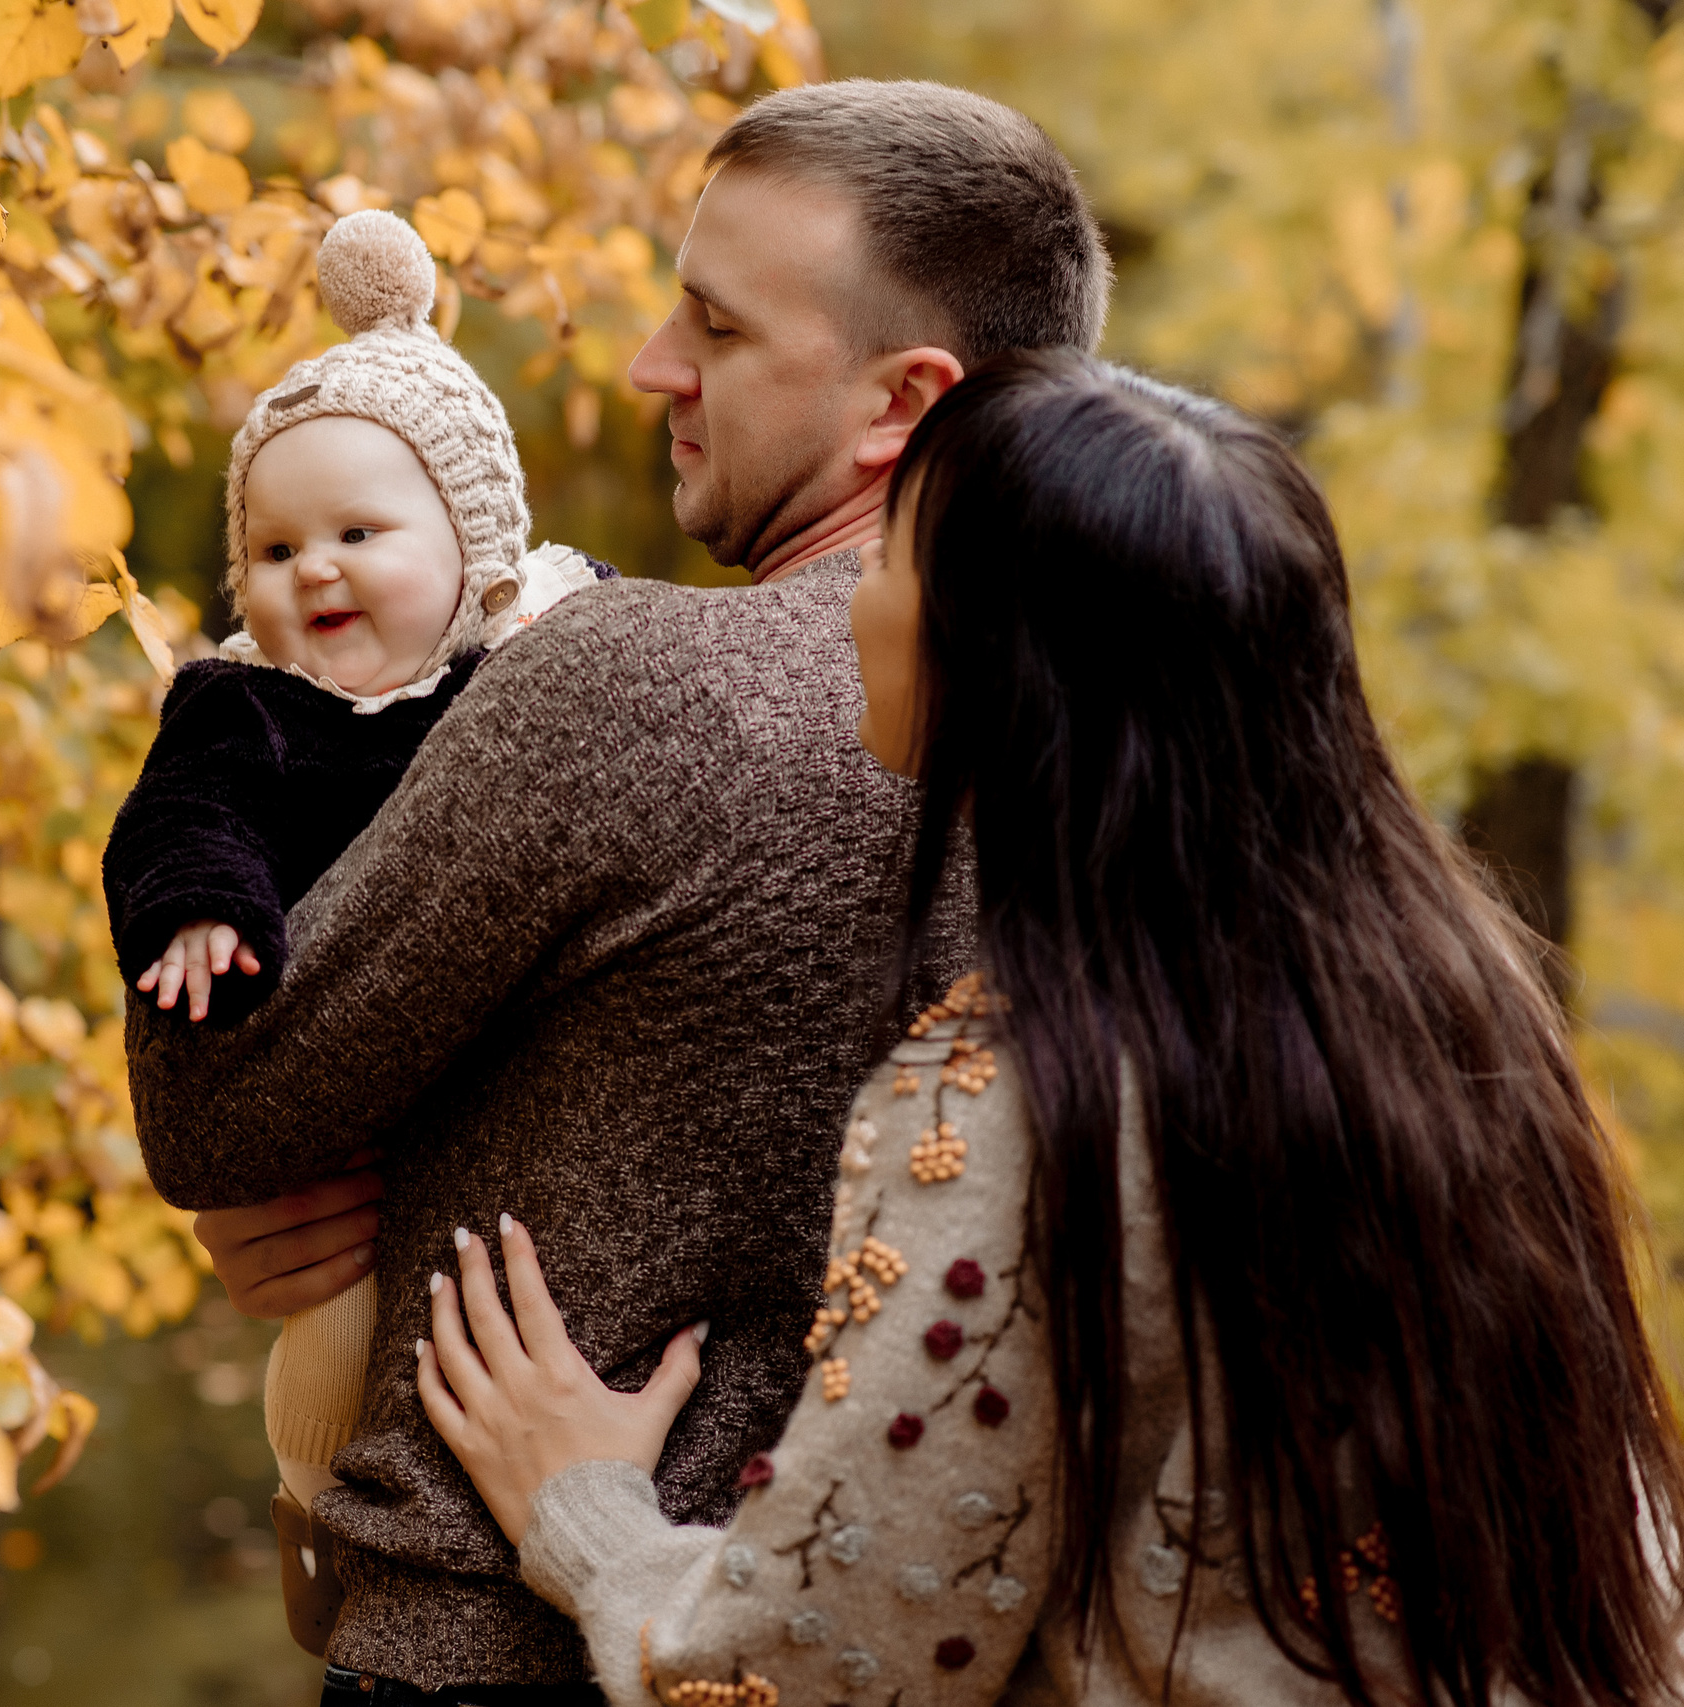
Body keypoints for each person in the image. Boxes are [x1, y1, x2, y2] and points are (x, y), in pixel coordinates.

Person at [416, 350, 1684, 1707]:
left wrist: (589, 1515)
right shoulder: (1453, 1001)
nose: (859, 602)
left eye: (894, 555)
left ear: (1003, 660)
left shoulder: (1018, 1099)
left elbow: (825, 1669)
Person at [125, 82, 1110, 1702]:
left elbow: (216, 1103)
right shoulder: (1163, 744)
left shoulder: (634, 686)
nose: (653, 366)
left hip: (510, 1645)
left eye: (713, 329)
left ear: (899, 404)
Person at [104, 207, 609, 1654]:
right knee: (333, 1348)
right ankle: (325, 1526)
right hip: (331, 1133)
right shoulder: (246, 704)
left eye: (358, 535)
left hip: (509, 1118)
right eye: (272, 546)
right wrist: (201, 906)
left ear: (476, 542)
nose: (310, 571)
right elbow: (179, 820)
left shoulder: (552, 653)